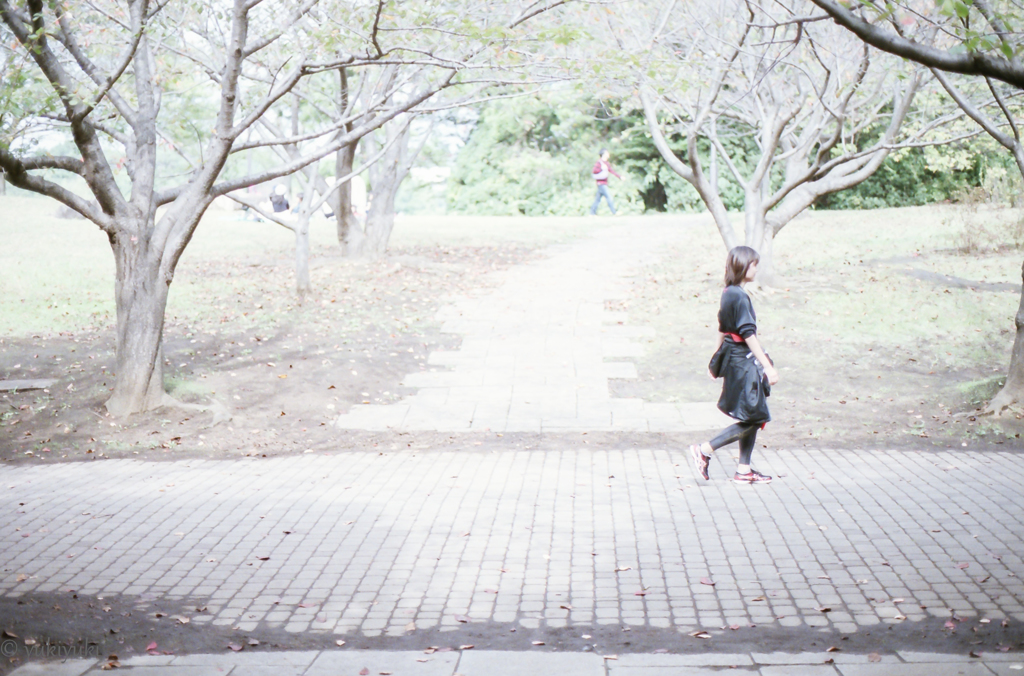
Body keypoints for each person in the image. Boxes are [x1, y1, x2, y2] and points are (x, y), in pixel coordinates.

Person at [691, 246, 780, 484]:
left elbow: (722, 326)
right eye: (754, 264)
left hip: (734, 357)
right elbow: (748, 334)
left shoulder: (729, 292)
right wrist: (768, 367)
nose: (757, 268)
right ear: (743, 266)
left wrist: (715, 360)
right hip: (743, 361)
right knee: (754, 417)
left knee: (752, 415)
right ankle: (705, 449)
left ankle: (744, 470)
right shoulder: (738, 296)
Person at [590, 148, 621, 215]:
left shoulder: (606, 163)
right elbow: (594, 172)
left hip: (604, 183)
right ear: (603, 154)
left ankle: (592, 213)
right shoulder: (599, 163)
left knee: (597, 200)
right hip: (601, 184)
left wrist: (620, 177)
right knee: (609, 197)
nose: (608, 154)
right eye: (607, 153)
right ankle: (614, 212)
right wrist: (601, 171)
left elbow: (611, 171)